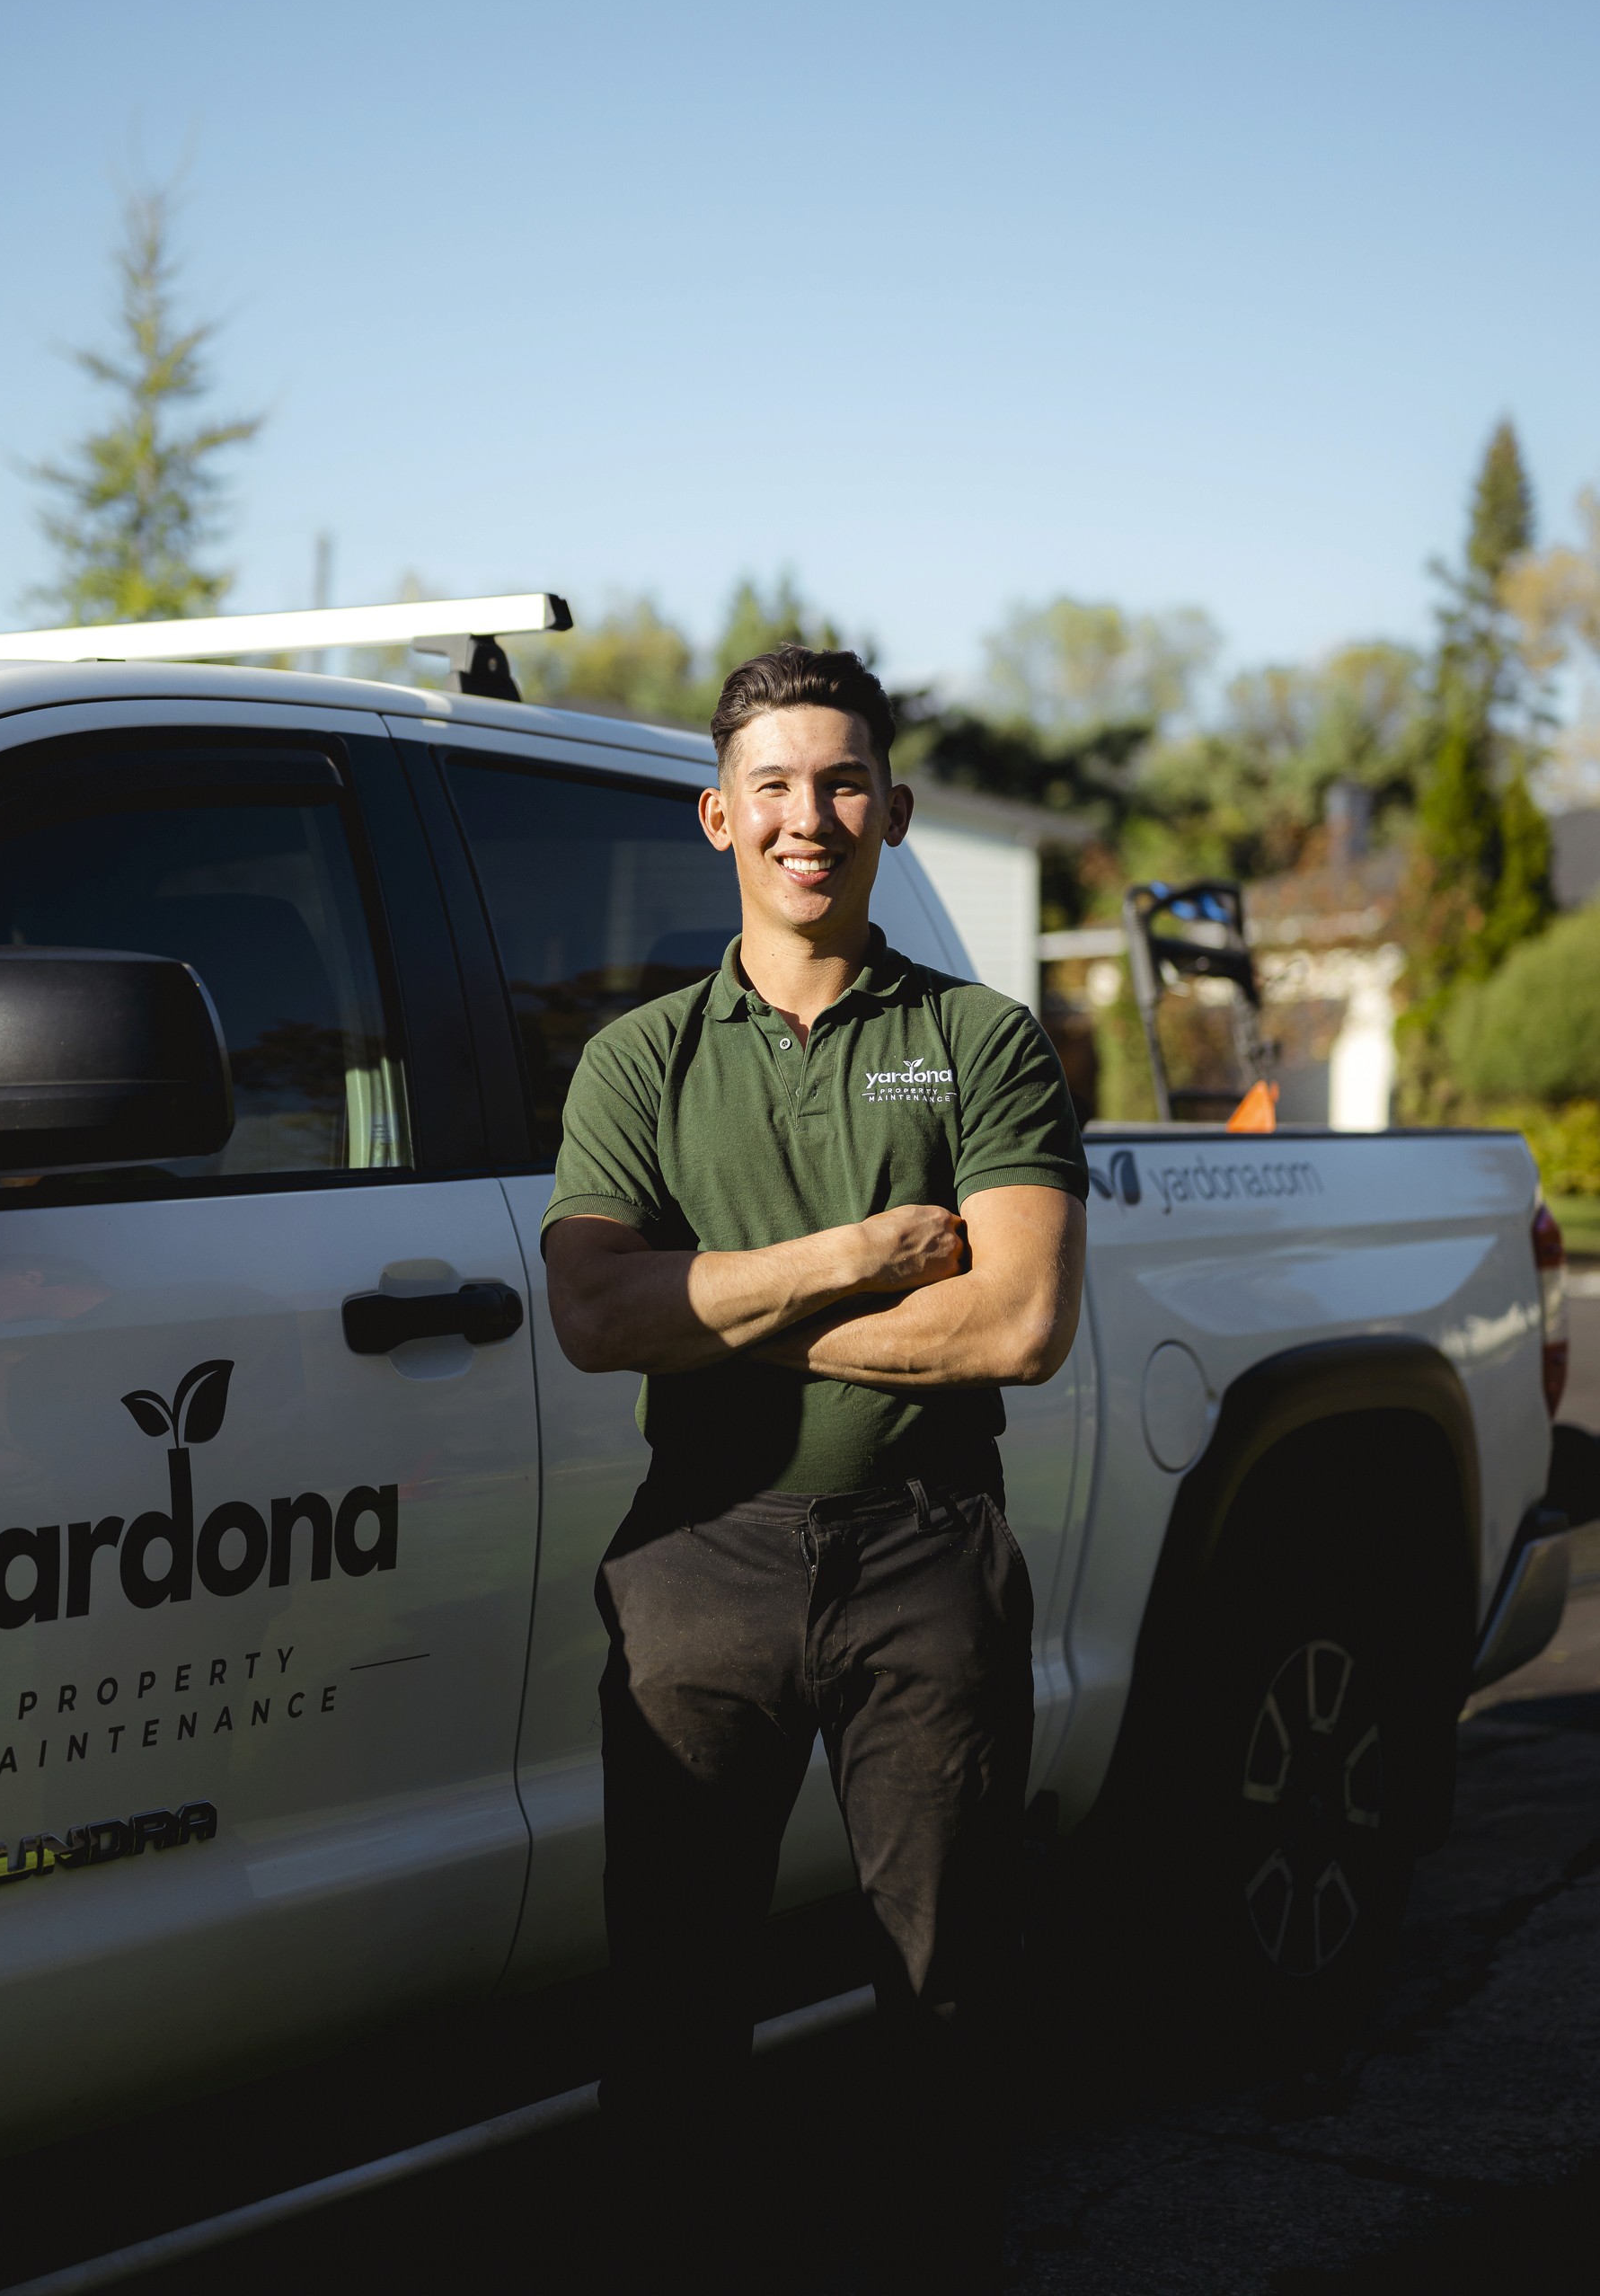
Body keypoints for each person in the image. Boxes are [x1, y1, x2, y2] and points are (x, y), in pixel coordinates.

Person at [543, 643, 1088, 2258]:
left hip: (927, 1554)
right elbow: (595, 1312)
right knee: (673, 1996)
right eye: (772, 785)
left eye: (845, 784)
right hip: (699, 1558)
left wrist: (711, 1309)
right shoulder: (640, 1059)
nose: (809, 817)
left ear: (894, 813)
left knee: (947, 1986)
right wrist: (858, 1258)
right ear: (719, 816)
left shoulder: (982, 1041)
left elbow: (1018, 1324)